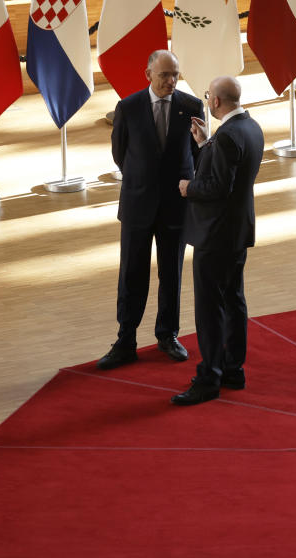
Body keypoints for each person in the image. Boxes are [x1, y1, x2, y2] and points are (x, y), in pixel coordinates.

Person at [98, 50, 204, 370]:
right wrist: (144, 179)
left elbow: (197, 155)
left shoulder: (191, 106)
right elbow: (120, 153)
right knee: (132, 273)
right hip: (137, 204)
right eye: (164, 75)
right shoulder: (127, 108)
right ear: (148, 75)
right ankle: (126, 339)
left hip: (175, 205)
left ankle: (167, 335)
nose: (171, 81)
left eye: (175, 75)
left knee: (171, 272)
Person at [172, 76, 264, 406]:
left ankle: (209, 376)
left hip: (215, 235)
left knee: (210, 308)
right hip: (238, 231)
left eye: (208, 95)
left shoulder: (227, 137)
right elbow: (231, 170)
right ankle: (233, 369)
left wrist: (188, 188)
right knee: (234, 299)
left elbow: (216, 187)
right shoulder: (251, 128)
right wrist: (204, 144)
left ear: (214, 103)